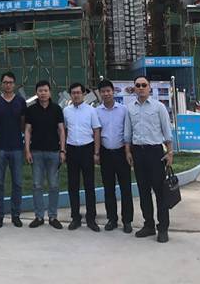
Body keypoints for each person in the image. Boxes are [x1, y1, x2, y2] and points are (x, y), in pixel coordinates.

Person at [124, 76, 173, 243]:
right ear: (134, 88)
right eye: (137, 85)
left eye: (144, 85)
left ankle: (163, 228)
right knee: (143, 191)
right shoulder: (130, 108)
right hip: (138, 153)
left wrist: (170, 152)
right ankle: (149, 225)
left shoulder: (159, 107)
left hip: (155, 153)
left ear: (149, 88)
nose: (141, 88)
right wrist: (128, 152)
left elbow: (167, 131)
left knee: (160, 192)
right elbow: (127, 133)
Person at [0, 71, 27, 228]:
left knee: (17, 183)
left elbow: (23, 123)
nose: (8, 85)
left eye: (10, 82)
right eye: (5, 82)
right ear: (1, 84)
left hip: (17, 147)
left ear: (14, 84)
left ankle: (16, 215)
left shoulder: (20, 102)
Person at [24, 80, 65, 229]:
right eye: (40, 91)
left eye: (45, 90)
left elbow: (61, 130)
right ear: (36, 93)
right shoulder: (31, 110)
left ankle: (53, 216)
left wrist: (63, 150)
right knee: (37, 185)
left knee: (54, 185)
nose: (43, 93)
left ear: (50, 92)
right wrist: (27, 150)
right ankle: (39, 216)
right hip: (36, 153)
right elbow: (28, 130)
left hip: (53, 152)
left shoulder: (56, 109)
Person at [96, 79, 133, 233]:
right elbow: (96, 133)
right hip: (106, 153)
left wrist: (128, 151)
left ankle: (127, 221)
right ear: (100, 94)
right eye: (103, 91)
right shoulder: (97, 111)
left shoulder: (123, 110)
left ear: (113, 92)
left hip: (121, 153)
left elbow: (128, 132)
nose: (106, 94)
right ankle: (112, 219)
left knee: (126, 188)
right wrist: (97, 153)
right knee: (108, 188)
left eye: (108, 91)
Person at [64, 82, 101, 232]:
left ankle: (91, 218)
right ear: (70, 95)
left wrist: (96, 152)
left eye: (78, 92)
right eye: (73, 93)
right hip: (72, 149)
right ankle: (75, 217)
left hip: (87, 148)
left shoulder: (91, 110)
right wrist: (63, 150)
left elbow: (96, 131)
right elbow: (64, 130)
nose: (76, 95)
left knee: (89, 185)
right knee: (73, 185)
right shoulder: (66, 111)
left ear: (84, 94)